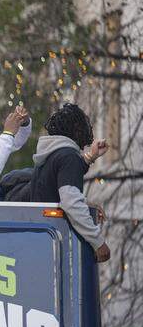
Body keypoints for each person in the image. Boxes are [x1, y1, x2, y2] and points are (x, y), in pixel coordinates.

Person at [30, 103, 111, 262]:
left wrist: (90, 157)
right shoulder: (68, 157)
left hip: (41, 242)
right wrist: (98, 242)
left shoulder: (51, 155)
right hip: (58, 247)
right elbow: (71, 202)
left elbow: (55, 193)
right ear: (76, 128)